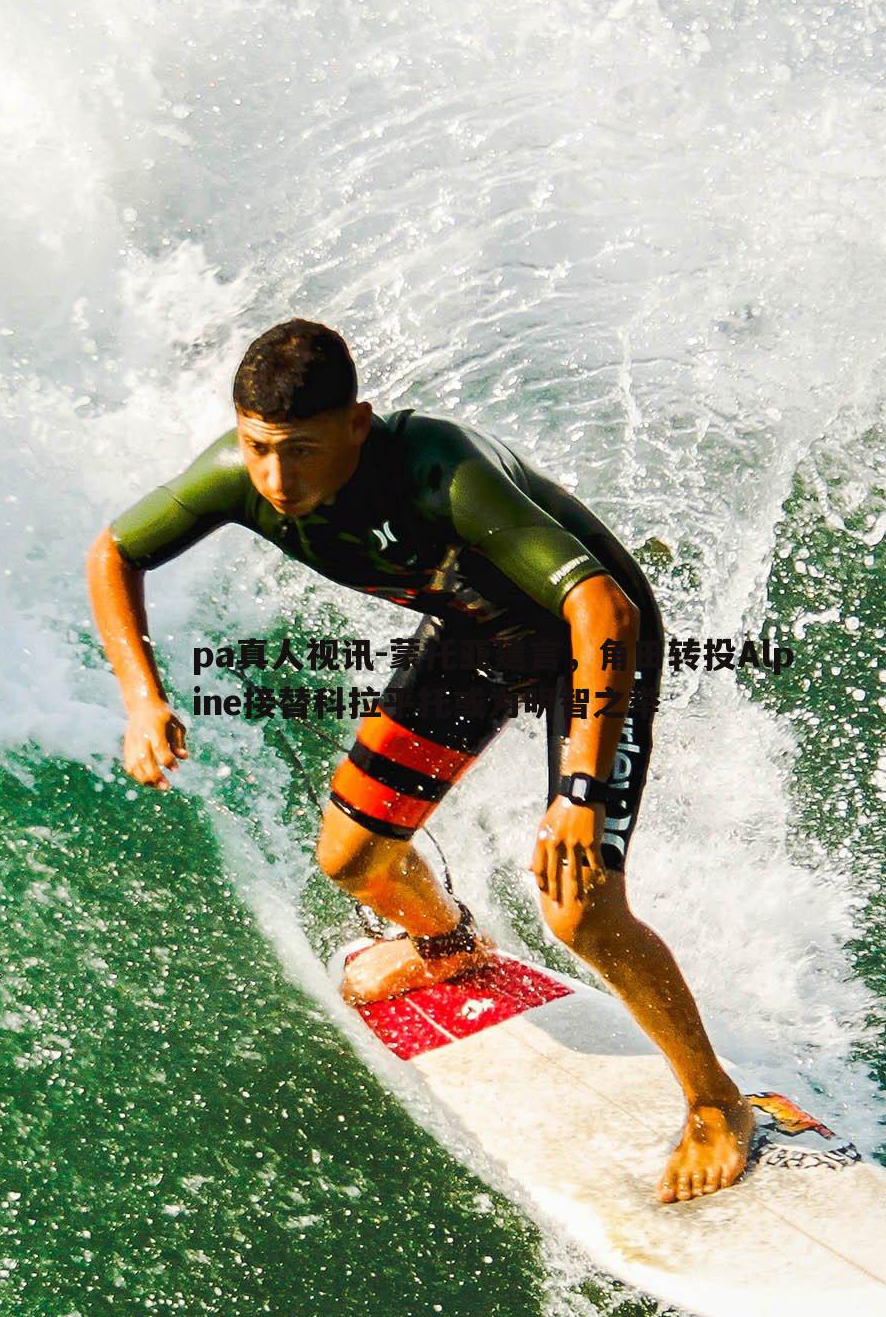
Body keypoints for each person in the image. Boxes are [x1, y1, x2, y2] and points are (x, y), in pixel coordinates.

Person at [85, 319, 756, 1203]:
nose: (277, 480)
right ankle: (449, 945)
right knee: (352, 859)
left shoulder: (443, 473)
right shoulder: (238, 478)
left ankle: (716, 1104)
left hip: (593, 648)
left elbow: (602, 608)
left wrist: (580, 794)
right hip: (475, 638)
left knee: (580, 906)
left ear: (357, 425)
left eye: (301, 451)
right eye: (258, 448)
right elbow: (116, 552)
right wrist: (143, 698)